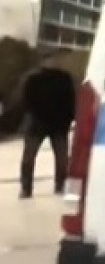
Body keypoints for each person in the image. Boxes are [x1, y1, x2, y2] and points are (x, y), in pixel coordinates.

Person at [18, 57, 77, 199]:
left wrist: (69, 118)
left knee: (62, 158)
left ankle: (60, 185)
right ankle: (26, 188)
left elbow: (71, 100)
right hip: (38, 123)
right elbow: (26, 99)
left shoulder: (64, 78)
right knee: (29, 158)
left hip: (57, 124)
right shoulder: (33, 78)